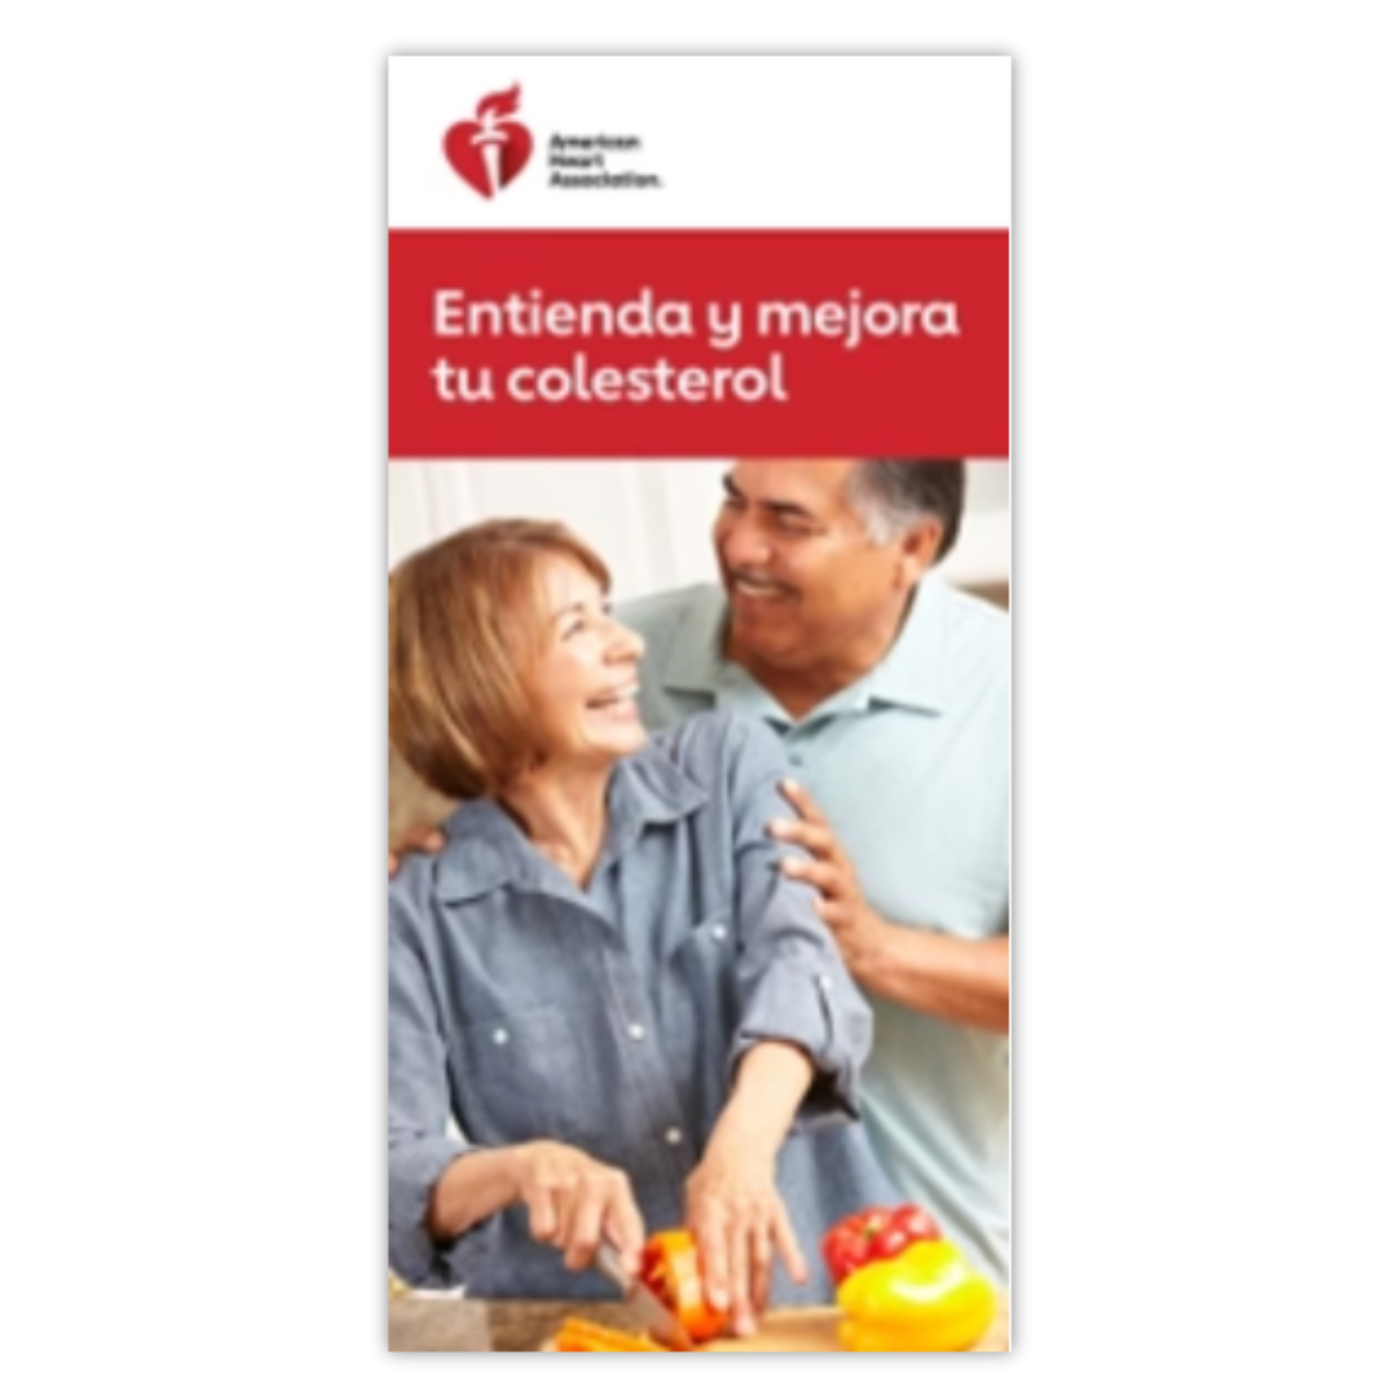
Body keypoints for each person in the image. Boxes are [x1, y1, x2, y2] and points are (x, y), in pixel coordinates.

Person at [390, 459, 1011, 1286]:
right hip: (589, 1319)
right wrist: (519, 1168)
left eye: (789, 520)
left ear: (912, 546)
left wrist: (742, 1155)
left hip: (868, 1272)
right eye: (732, 499)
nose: (627, 644)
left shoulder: (729, 757)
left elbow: (796, 965)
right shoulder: (424, 895)